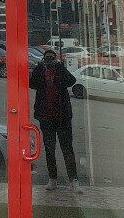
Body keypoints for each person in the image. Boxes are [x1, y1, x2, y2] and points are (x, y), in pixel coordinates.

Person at [30, 49, 83, 193]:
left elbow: (71, 81)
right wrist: (40, 67)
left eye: (51, 58)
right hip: (46, 118)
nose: (49, 60)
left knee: (67, 149)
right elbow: (32, 83)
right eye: (47, 58)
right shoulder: (41, 71)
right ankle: (52, 179)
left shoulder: (60, 70)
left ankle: (73, 180)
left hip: (62, 117)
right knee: (49, 149)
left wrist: (59, 66)